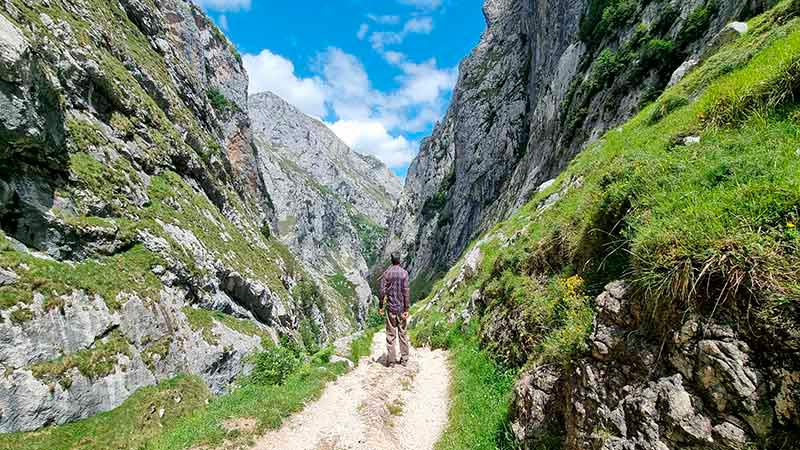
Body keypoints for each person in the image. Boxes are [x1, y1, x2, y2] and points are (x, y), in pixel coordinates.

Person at [379, 252, 410, 366]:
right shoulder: (404, 273)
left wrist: (381, 306)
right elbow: (406, 292)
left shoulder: (386, 274)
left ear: (391, 260)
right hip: (401, 309)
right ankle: (404, 359)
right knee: (403, 334)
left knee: (391, 335)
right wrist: (406, 309)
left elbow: (382, 292)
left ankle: (391, 361)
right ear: (399, 260)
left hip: (391, 308)